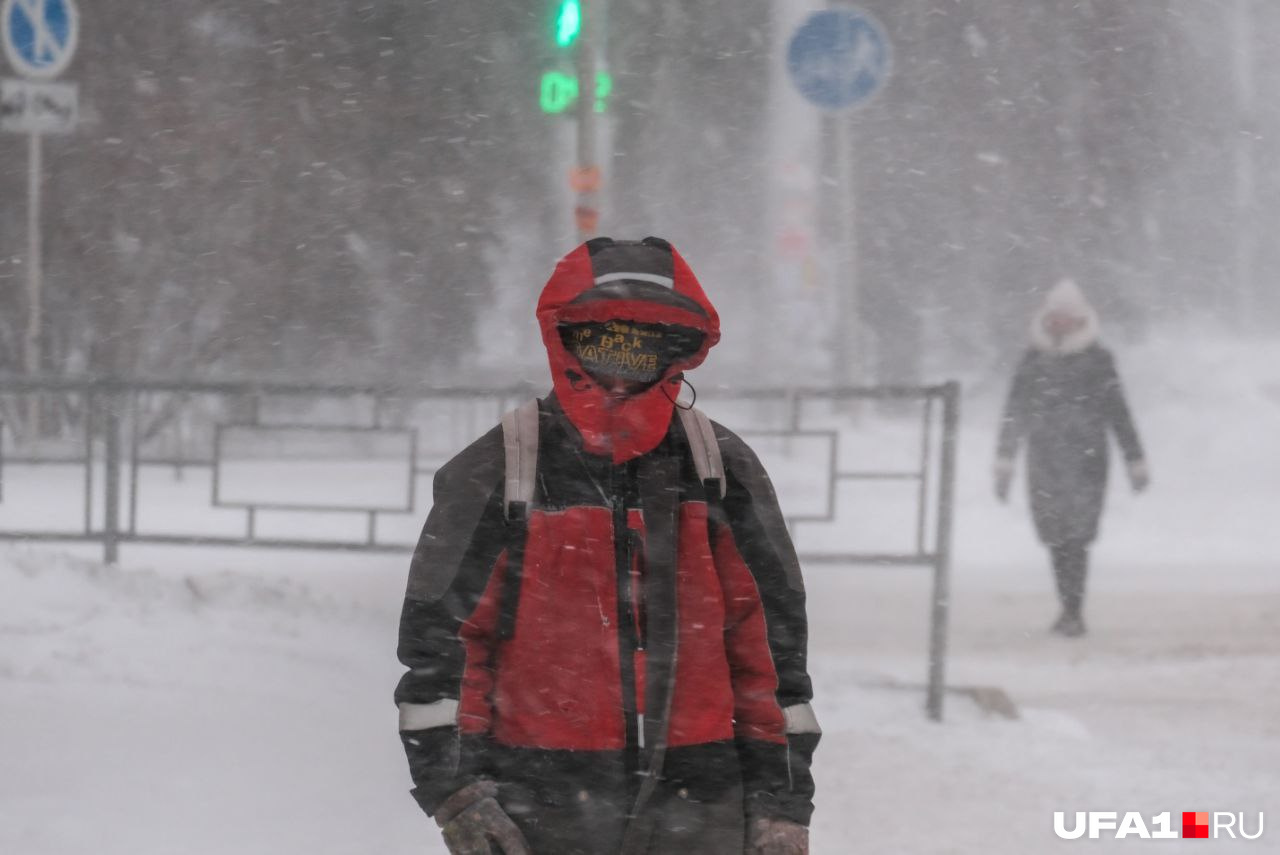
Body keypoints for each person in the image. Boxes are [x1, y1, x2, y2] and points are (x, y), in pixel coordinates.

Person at [395, 237, 819, 855]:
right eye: (603, 339)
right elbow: (443, 648)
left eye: (644, 343)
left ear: (678, 348)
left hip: (701, 807)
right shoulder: (501, 468)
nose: (622, 366)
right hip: (536, 808)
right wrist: (457, 792)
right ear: (563, 338)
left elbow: (771, 655)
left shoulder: (718, 469)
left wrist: (781, 805)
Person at [994, 278, 1149, 638]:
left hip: (1087, 460)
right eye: (1055, 316)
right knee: (1054, 536)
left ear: (1080, 320)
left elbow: (1118, 411)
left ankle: (1072, 610)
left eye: (1067, 317)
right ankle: (1067, 606)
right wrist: (1004, 462)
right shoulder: (1033, 361)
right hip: (1044, 458)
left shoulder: (1098, 361)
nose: (1060, 322)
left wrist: (1135, 460)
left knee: (1077, 536)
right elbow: (1014, 411)